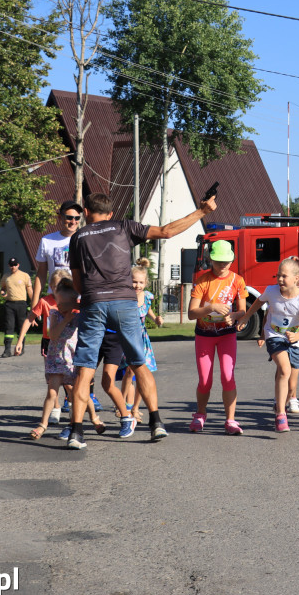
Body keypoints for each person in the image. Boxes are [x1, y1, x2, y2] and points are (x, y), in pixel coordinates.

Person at [64, 192, 216, 450]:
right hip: (124, 302)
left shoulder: (78, 237)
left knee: (85, 369)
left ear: (87, 213)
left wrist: (90, 296)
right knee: (139, 362)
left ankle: (76, 433)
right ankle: (156, 423)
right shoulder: (124, 226)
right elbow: (167, 231)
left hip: (93, 302)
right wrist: (201, 212)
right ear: (110, 214)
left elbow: (77, 282)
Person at [235, 257, 299, 433]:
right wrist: (246, 317)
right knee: (284, 370)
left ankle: (280, 402)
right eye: (278, 275)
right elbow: (258, 303)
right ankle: (280, 415)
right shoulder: (271, 291)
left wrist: (296, 336)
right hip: (274, 335)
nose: (279, 279)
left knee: (290, 382)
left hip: (295, 341)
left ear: (296, 278)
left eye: (284, 276)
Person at [29, 280, 105, 439]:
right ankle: (43, 424)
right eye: (59, 302)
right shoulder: (55, 315)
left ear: (74, 302)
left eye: (65, 303)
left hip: (73, 361)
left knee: (78, 392)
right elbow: (53, 335)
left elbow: (94, 315)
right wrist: (65, 319)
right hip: (56, 360)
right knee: (52, 392)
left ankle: (94, 419)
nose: (61, 306)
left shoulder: (79, 316)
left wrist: (76, 309)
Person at [187, 242, 247, 435]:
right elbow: (191, 313)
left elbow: (243, 310)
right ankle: (200, 414)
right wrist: (211, 307)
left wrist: (235, 316)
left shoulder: (238, 280)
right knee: (205, 380)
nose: (223, 265)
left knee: (228, 377)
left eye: (227, 261)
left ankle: (230, 420)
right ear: (210, 259)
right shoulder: (202, 280)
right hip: (204, 335)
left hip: (226, 334)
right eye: (219, 261)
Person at [15, 268, 73, 424]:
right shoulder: (45, 302)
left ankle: (75, 407)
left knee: (69, 381)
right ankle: (56, 408)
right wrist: (20, 340)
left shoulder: (72, 302)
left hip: (68, 344)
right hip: (49, 343)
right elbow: (29, 319)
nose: (56, 289)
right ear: (50, 286)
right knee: (52, 379)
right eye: (54, 286)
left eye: (60, 286)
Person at [118, 259, 163, 425]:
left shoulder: (148, 297)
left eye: (140, 282)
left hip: (142, 339)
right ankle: (123, 404)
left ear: (146, 283)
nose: (137, 285)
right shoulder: (125, 297)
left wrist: (156, 319)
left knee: (141, 374)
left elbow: (149, 312)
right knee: (129, 372)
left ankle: (136, 407)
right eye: (134, 281)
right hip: (127, 338)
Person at [30, 200, 84, 308]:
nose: (73, 222)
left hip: (79, 300)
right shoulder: (47, 240)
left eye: (77, 218)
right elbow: (41, 274)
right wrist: (34, 303)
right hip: (54, 300)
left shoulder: (84, 239)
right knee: (53, 326)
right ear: (60, 217)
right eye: (69, 217)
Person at [0, 257, 33, 357]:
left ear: (18, 265)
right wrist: (2, 292)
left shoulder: (25, 276)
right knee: (9, 327)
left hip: (21, 304)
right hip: (9, 304)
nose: (13, 267)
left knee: (21, 327)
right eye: (11, 265)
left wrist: (34, 303)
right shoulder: (6, 276)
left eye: (15, 265)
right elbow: (3, 288)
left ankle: (20, 348)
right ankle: (7, 350)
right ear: (9, 265)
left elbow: (30, 290)